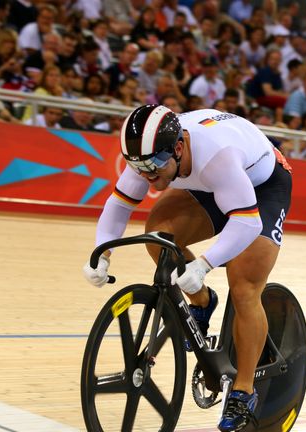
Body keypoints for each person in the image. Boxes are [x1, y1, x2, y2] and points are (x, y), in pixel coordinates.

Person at [82, 105, 292, 431]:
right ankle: (202, 303)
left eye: (153, 165)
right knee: (159, 236)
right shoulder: (150, 155)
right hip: (206, 183)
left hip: (263, 186)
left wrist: (205, 264)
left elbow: (247, 223)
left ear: (178, 147)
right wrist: (101, 251)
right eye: (138, 166)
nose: (148, 175)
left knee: (244, 285)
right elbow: (119, 203)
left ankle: (244, 390)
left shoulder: (216, 155)